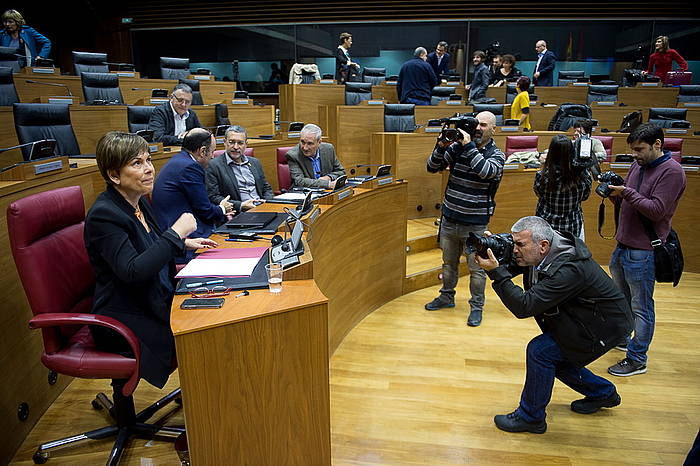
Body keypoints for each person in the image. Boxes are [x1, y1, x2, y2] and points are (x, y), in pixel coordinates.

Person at [474, 216, 633, 434]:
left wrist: (496, 273)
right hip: (586, 319)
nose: (515, 249)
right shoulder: (543, 253)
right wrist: (495, 253)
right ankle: (603, 393)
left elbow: (524, 306)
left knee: (541, 351)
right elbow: (512, 270)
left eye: (519, 244)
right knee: (557, 359)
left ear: (543, 245)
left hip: (605, 326)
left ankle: (531, 417)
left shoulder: (569, 269)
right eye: (513, 243)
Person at [84, 131, 217, 388]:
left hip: (150, 299)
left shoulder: (138, 201)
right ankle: (204, 407)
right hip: (122, 317)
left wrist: (184, 243)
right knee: (201, 336)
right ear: (114, 175)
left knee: (213, 311)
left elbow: (150, 245)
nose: (149, 169)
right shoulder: (104, 215)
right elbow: (133, 271)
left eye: (148, 160)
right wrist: (177, 232)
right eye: (137, 163)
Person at [606, 123, 686, 377]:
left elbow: (656, 210)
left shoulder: (672, 172)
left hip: (643, 250)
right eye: (632, 151)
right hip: (623, 245)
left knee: (641, 306)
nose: (635, 155)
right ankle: (622, 338)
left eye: (640, 150)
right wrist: (615, 195)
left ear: (658, 145)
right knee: (621, 300)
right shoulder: (638, 164)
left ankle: (637, 358)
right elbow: (631, 201)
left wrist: (626, 193)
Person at [425, 111, 505, 326]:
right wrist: (441, 145)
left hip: (476, 224)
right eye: (476, 124)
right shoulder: (458, 147)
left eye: (484, 125)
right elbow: (432, 167)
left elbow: (485, 171)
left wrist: (469, 146)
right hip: (450, 218)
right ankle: (446, 296)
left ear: (493, 129)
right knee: (448, 264)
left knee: (477, 269)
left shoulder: (496, 154)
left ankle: (476, 307)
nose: (478, 128)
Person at [151, 128, 234, 256]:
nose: (213, 156)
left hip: (174, 228)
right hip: (183, 237)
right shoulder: (190, 167)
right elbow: (205, 211)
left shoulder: (180, 160)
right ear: (202, 151)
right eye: (212, 151)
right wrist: (223, 208)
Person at [533, 134, 592, 240]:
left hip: (547, 230)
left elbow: (539, 194)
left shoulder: (542, 175)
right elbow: (585, 196)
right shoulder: (583, 175)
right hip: (573, 228)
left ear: (551, 152)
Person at [206, 125, 274, 212]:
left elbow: (266, 188)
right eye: (231, 142)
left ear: (246, 144)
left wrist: (267, 201)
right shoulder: (214, 165)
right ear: (224, 142)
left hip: (263, 209)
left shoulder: (255, 162)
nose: (236, 147)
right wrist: (241, 205)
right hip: (238, 213)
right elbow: (213, 197)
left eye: (240, 143)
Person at [286, 123, 346, 189]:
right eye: (302, 142)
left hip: (326, 193)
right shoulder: (293, 155)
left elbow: (341, 172)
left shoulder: (328, 149)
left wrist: (329, 177)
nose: (305, 147)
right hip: (304, 193)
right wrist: (327, 184)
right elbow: (299, 181)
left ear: (319, 142)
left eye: (310, 143)